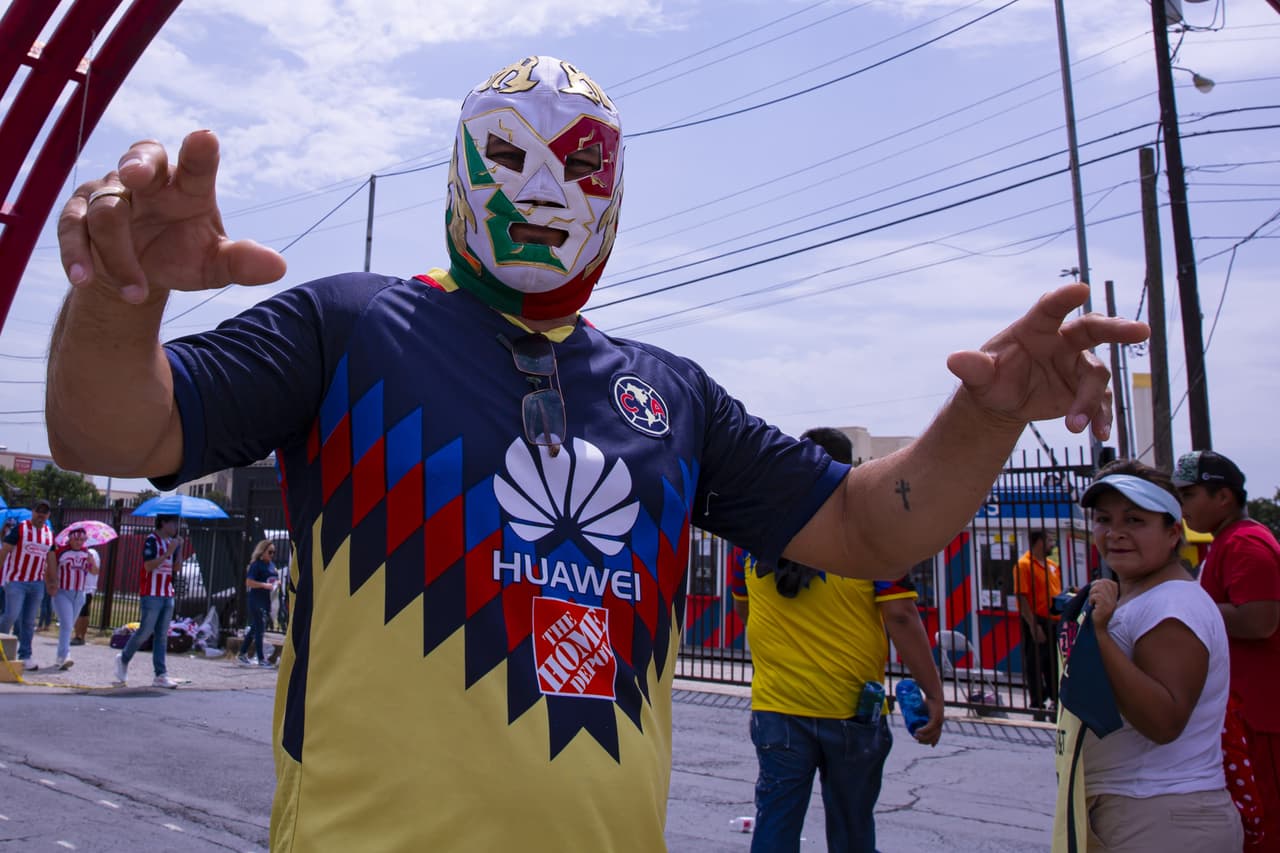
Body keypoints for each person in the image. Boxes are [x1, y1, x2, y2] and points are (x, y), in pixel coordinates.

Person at [46, 55, 1147, 851]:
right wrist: (118, 300)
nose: (542, 190)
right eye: (510, 155)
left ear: (617, 191)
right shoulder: (351, 327)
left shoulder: (671, 395)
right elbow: (110, 430)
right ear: (458, 168)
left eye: (579, 165)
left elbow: (869, 525)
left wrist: (990, 415)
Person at [728, 427, 944, 853]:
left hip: (777, 706)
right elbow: (900, 615)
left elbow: (743, 608)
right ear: (850, 471)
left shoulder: (752, 536)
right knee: (852, 832)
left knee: (775, 826)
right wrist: (933, 692)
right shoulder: (871, 535)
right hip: (851, 709)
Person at [1053, 460, 1241, 852]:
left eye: (1135, 520)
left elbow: (1163, 721)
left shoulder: (1172, 606)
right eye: (1104, 519)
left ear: (1173, 532)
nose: (1116, 533)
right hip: (1144, 811)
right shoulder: (1146, 597)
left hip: (1161, 816)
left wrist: (1101, 636)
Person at [1174, 449, 1280, 849]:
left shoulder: (1246, 544)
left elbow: (1259, 620)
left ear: (1224, 497)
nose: (1182, 506)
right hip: (1245, 713)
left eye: (1189, 494)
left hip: (1263, 717)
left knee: (1267, 825)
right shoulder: (1226, 541)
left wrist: (1187, 604)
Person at [114, 514, 182, 689]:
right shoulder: (152, 540)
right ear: (163, 523)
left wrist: (178, 551)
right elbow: (148, 566)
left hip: (167, 592)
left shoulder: (171, 543)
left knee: (162, 635)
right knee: (145, 631)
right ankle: (124, 658)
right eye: (173, 522)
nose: (176, 526)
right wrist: (168, 553)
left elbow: (175, 568)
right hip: (151, 593)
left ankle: (160, 674)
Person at [0, 500, 54, 670]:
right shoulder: (21, 528)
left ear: (48, 515)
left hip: (37, 582)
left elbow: (51, 559)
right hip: (17, 579)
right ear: (33, 511)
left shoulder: (49, 533)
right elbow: (5, 550)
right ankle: (1, 648)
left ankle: (25, 655)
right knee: (11, 615)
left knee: (29, 621)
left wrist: (53, 581)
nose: (41, 515)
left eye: (44, 512)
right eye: (39, 511)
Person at [1016, 528, 1062, 717]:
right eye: (1050, 540)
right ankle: (1037, 704)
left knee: (1053, 663)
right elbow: (1022, 596)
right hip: (1037, 620)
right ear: (1039, 541)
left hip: (1054, 620)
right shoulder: (1024, 565)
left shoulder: (1051, 565)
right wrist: (1033, 625)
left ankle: (1055, 700)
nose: (1052, 544)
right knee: (1035, 662)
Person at [46, 525, 100, 670]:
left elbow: (95, 572)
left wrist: (91, 562)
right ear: (69, 538)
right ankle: (65, 655)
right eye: (76, 539)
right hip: (63, 592)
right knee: (67, 624)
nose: (78, 542)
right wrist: (51, 584)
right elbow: (50, 568)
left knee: (68, 625)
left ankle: (60, 656)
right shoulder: (61, 553)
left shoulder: (86, 553)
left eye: (82, 539)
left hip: (79, 593)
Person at [239, 539, 279, 667]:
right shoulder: (256, 565)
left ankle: (242, 653)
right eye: (270, 552)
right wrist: (264, 585)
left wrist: (276, 583)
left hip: (267, 600)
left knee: (254, 628)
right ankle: (261, 659)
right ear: (263, 551)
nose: (272, 555)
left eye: (274, 552)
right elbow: (249, 582)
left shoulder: (271, 565)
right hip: (256, 600)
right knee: (259, 629)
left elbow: (274, 579)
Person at [70, 545, 100, 646]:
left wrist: (88, 561)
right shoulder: (77, 553)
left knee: (82, 612)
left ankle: (79, 635)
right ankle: (79, 635)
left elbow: (95, 571)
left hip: (87, 587)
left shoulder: (92, 553)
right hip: (78, 586)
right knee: (82, 611)